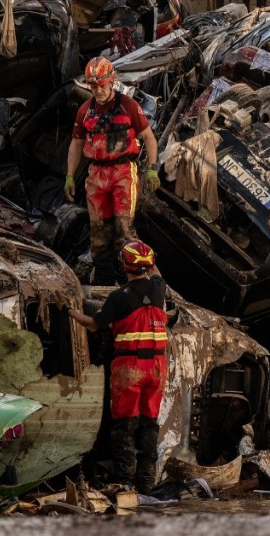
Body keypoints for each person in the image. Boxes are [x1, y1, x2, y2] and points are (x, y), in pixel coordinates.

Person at [68, 239, 168, 494]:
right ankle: (146, 482)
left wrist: (69, 311)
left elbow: (93, 324)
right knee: (149, 424)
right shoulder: (158, 288)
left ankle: (125, 481)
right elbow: (154, 271)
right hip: (157, 366)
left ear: (124, 265)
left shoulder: (118, 297)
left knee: (124, 425)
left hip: (130, 367)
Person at [65, 56, 161, 284]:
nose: (97, 90)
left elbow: (148, 137)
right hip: (97, 175)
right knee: (98, 235)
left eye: (101, 85)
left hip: (123, 172)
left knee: (124, 231)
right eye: (93, 86)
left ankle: (137, 281)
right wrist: (69, 175)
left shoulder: (128, 105)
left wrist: (152, 169)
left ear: (111, 81)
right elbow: (76, 143)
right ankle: (105, 284)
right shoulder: (85, 111)